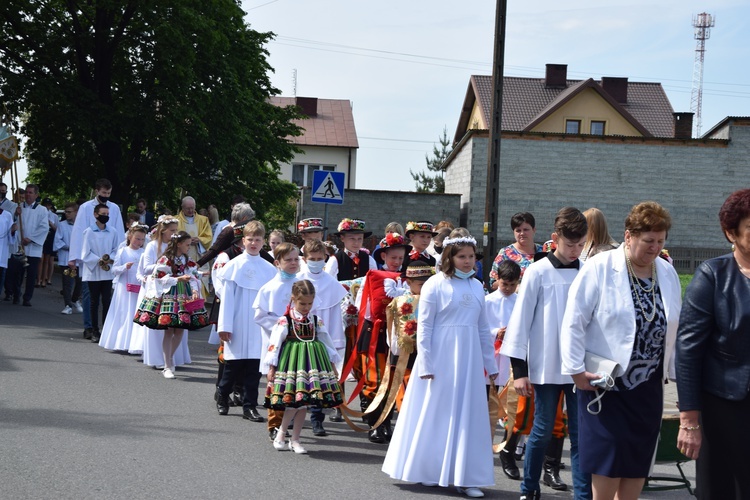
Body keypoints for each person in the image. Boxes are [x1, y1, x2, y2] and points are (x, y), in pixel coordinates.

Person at [559, 201, 680, 500]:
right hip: (606, 385)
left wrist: (677, 375)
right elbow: (573, 322)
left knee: (637, 464)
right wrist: (575, 370)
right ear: (628, 236)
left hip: (647, 387)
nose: (654, 248)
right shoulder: (600, 268)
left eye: (660, 241)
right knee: (608, 463)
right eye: (648, 241)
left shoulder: (666, 272)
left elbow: (676, 327)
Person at [382, 230, 497, 499]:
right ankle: (432, 470)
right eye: (462, 257)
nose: (468, 261)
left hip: (468, 359)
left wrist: (490, 364)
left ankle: (466, 476)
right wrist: (426, 362)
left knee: (468, 414)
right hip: (441, 356)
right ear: (449, 257)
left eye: (471, 257)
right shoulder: (435, 284)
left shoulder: (477, 286)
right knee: (437, 413)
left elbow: (482, 328)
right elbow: (425, 327)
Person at [501, 207, 591, 500]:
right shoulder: (538, 271)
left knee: (579, 435)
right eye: (570, 244)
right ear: (555, 238)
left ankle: (583, 493)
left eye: (581, 244)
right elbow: (521, 321)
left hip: (579, 366)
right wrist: (520, 371)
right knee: (540, 431)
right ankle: (529, 488)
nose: (576, 250)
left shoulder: (587, 270)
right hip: (546, 365)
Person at [675, 189, 750, 499]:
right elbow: (688, 352)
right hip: (725, 406)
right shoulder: (713, 276)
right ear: (731, 233)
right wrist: (689, 421)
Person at [264, 279, 344, 454]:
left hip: (313, 364)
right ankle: (281, 434)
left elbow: (327, 342)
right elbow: (275, 344)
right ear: (293, 299)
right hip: (292, 364)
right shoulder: (285, 321)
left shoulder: (316, 321)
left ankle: (295, 439)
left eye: (310, 303)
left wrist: (333, 365)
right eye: (302, 303)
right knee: (293, 402)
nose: (306, 307)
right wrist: (272, 367)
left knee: (304, 404)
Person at [215, 221, 276, 418]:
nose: (253, 243)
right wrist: (224, 326)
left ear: (263, 242)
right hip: (238, 322)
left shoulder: (268, 269)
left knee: (254, 368)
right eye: (250, 239)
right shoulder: (234, 266)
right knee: (232, 366)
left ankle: (249, 405)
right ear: (243, 241)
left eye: (257, 240)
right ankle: (222, 395)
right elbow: (227, 299)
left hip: (258, 325)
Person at [355, 232, 411, 443]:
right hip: (376, 334)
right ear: (383, 257)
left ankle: (387, 421)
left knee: (395, 379)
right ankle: (375, 424)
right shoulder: (373, 277)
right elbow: (365, 307)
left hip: (400, 335)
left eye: (400, 258)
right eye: (392, 258)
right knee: (375, 380)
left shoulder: (407, 278)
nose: (397, 262)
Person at [134, 231, 208, 378]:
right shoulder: (165, 259)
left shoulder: (186, 259)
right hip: (169, 294)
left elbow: (192, 273)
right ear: (179, 244)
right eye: (187, 244)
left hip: (183, 295)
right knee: (169, 330)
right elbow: (158, 277)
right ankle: (167, 364)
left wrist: (196, 283)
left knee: (180, 330)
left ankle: (169, 358)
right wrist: (178, 279)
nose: (189, 247)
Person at [298, 239, 347, 428]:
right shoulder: (299, 279)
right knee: (301, 377)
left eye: (320, 258)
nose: (316, 262)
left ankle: (317, 420)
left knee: (320, 379)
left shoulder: (331, 283)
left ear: (325, 258)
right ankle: (296, 416)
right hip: (301, 335)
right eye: (312, 258)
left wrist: (334, 342)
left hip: (323, 337)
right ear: (305, 258)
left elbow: (335, 314)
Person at [129, 216, 191, 368]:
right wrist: (163, 264)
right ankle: (158, 358)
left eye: (176, 230)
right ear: (163, 230)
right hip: (157, 287)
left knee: (176, 324)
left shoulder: (178, 247)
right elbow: (146, 268)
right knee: (161, 324)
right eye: (172, 230)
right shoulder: (152, 246)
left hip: (176, 289)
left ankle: (172, 357)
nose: (175, 233)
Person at [254, 242, 301, 436]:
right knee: (277, 383)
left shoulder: (302, 284)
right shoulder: (269, 288)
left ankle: (289, 421)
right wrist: (282, 325)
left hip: (298, 342)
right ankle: (274, 424)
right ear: (277, 263)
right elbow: (260, 315)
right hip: (278, 342)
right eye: (288, 260)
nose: (293, 263)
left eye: (296, 259)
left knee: (295, 382)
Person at [68, 179, 124, 338]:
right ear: (97, 191)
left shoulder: (114, 208)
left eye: (108, 193)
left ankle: (105, 329)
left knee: (106, 297)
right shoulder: (86, 208)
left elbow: (119, 233)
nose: (106, 196)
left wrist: (116, 257)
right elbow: (78, 232)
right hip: (90, 258)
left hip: (108, 260)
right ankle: (89, 327)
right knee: (89, 296)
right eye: (103, 193)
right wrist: (74, 257)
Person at [385, 259, 435, 412]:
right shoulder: (400, 302)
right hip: (407, 355)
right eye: (421, 285)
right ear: (408, 282)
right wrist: (398, 350)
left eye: (428, 284)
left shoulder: (435, 301)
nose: (425, 288)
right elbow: (394, 333)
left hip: (430, 353)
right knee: (405, 395)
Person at [484, 260, 520, 454]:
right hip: (492, 356)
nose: (508, 288)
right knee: (489, 403)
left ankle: (508, 447)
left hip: (511, 358)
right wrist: (496, 332)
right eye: (505, 284)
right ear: (497, 280)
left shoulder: (520, 301)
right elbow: (481, 328)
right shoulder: (488, 301)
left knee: (509, 403)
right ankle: (485, 442)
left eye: (512, 285)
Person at [98, 223, 147, 351]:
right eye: (137, 238)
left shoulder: (144, 252)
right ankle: (120, 342)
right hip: (124, 286)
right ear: (130, 236)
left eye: (142, 239)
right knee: (124, 312)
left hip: (138, 285)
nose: (139, 242)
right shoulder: (123, 251)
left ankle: (134, 343)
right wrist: (124, 267)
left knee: (135, 312)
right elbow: (114, 270)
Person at [81, 203, 121, 342]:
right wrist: (99, 260)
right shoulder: (89, 231)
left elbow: (117, 249)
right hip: (93, 272)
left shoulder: (113, 232)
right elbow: (85, 252)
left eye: (107, 214)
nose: (105, 217)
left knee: (106, 301)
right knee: (94, 301)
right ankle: (94, 330)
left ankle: (106, 329)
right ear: (95, 214)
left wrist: (110, 259)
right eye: (103, 214)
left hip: (107, 271)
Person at [15, 184, 49, 306]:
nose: (28, 195)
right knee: (18, 273)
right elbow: (14, 224)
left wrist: (31, 239)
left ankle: (27, 297)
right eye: (27, 192)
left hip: (33, 248)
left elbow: (44, 227)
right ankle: (16, 294)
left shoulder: (42, 210)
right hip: (20, 246)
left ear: (36, 195)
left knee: (31, 274)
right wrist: (15, 214)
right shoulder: (19, 208)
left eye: (30, 193)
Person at [489, 212, 542, 290]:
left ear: (534, 230)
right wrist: (514, 288)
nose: (522, 233)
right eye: (518, 230)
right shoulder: (505, 253)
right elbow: (493, 283)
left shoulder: (543, 251)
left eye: (526, 229)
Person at [176, 196, 212, 295]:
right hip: (181, 256)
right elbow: (173, 238)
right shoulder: (176, 220)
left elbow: (208, 237)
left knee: (199, 284)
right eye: (188, 208)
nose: (191, 210)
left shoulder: (203, 220)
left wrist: (199, 240)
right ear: (182, 208)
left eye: (192, 208)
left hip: (198, 255)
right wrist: (185, 241)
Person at [38, 197, 58, 287]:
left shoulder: (54, 216)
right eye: (45, 205)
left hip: (50, 236)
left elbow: (57, 229)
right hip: (41, 236)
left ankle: (44, 280)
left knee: (47, 260)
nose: (47, 207)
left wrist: (50, 223)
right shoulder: (39, 213)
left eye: (49, 205)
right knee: (40, 259)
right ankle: (38, 279)